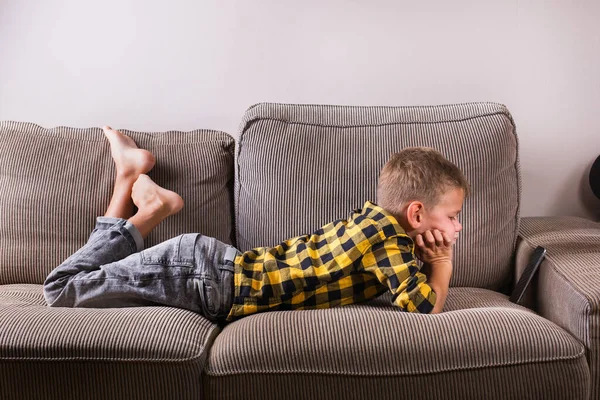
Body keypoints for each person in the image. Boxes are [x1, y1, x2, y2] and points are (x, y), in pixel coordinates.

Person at [44, 127, 468, 322]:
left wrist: (421, 251)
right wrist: (442, 260)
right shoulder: (387, 238)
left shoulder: (381, 230)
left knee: (76, 285)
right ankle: (146, 204)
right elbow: (424, 306)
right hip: (204, 277)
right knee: (60, 289)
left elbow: (397, 283)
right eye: (452, 217)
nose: (457, 228)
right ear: (415, 214)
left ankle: (133, 180)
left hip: (208, 272)